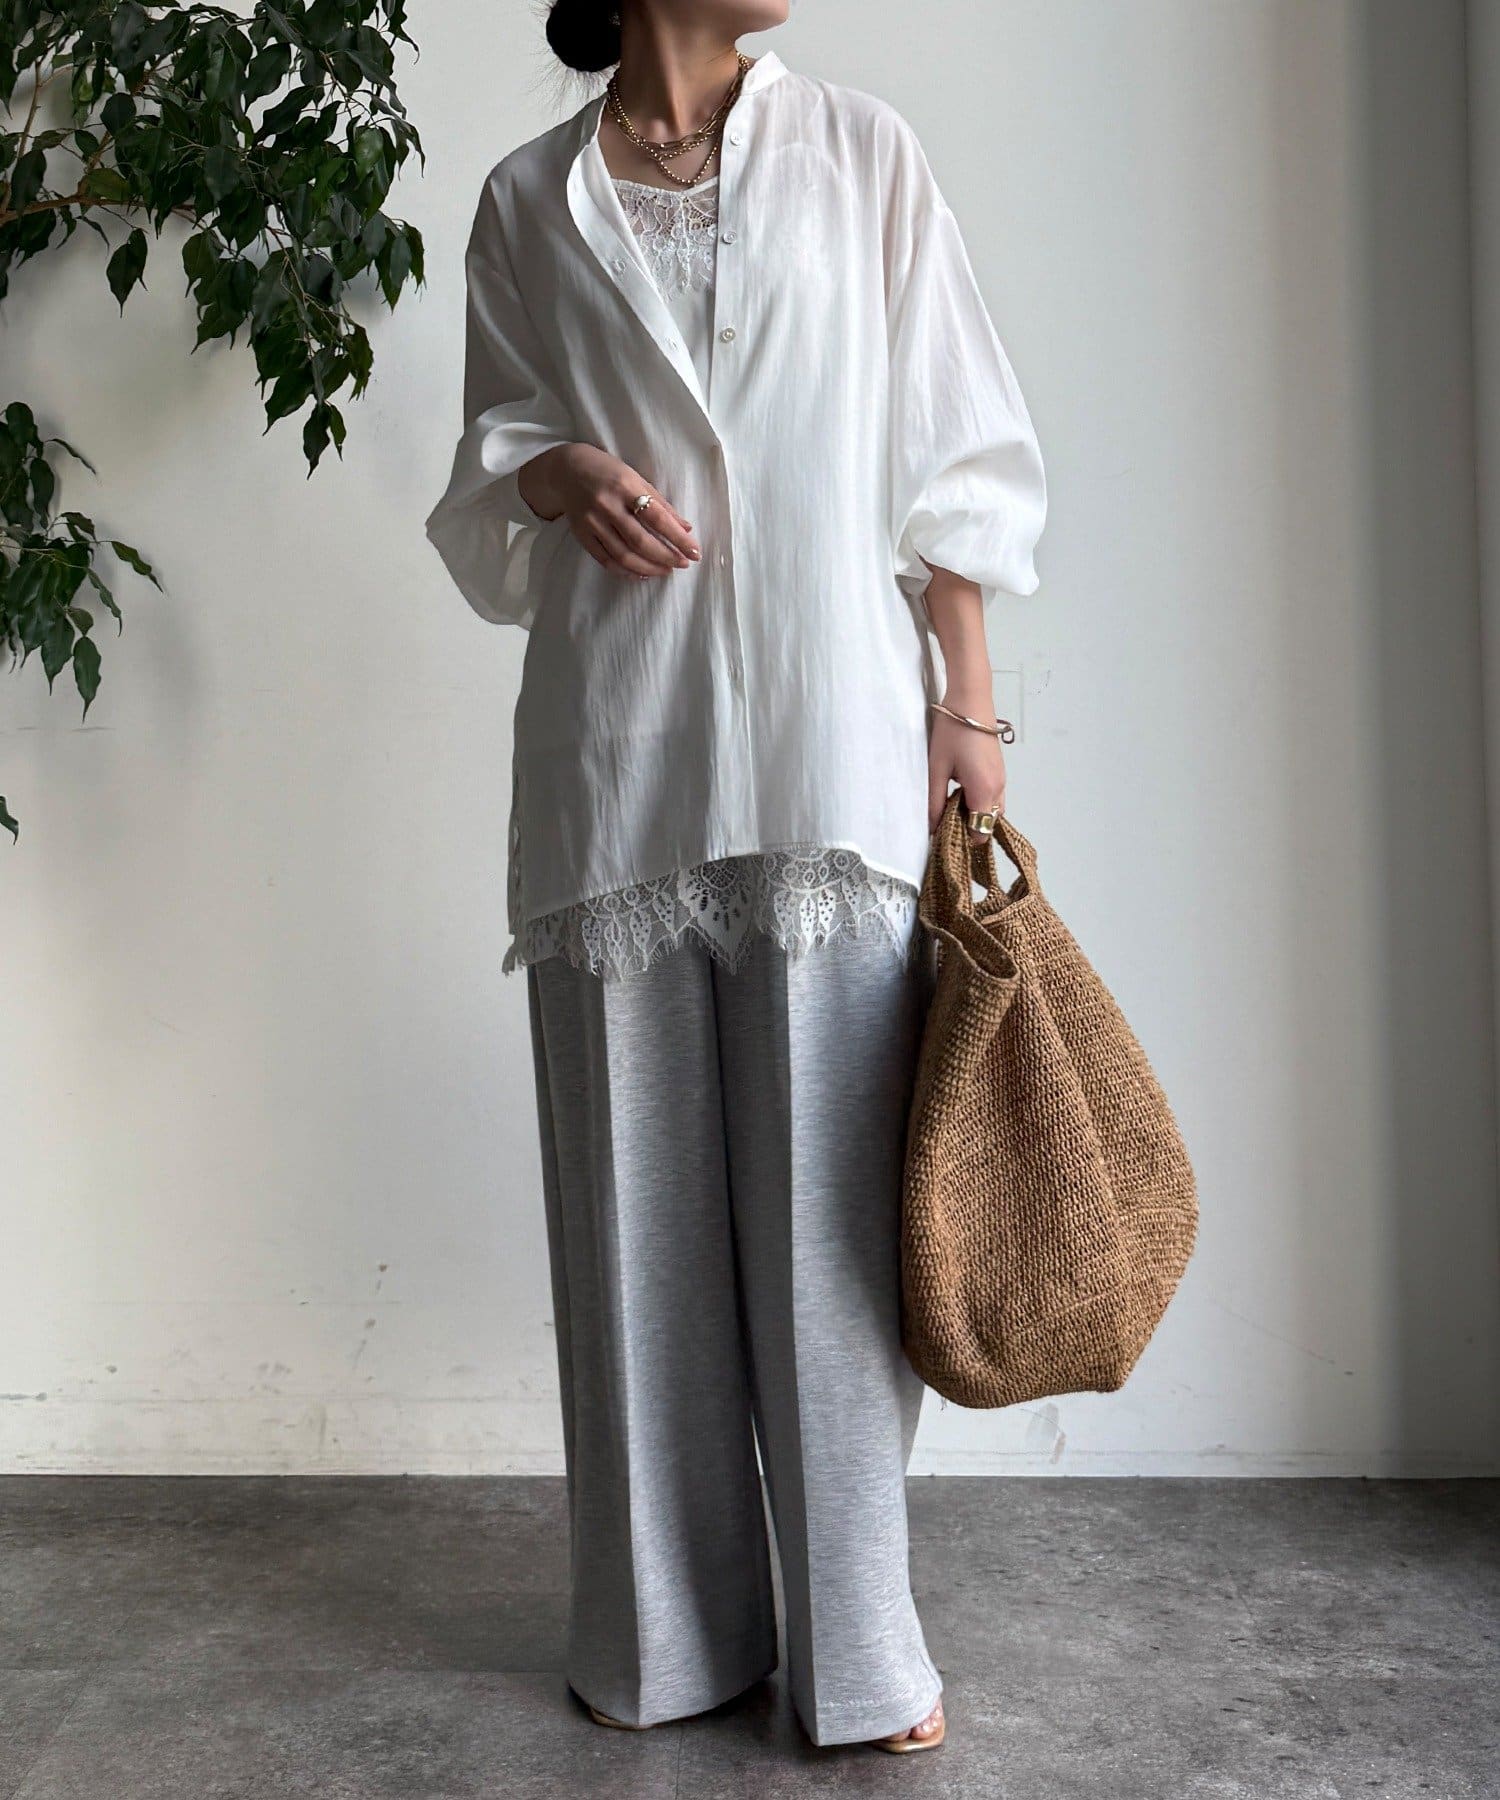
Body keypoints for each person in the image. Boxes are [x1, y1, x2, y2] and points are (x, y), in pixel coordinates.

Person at [424, 0, 1046, 1756]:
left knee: (835, 1242)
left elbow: (950, 438)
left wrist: (967, 705)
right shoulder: (527, 198)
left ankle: (863, 1653)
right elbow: (491, 463)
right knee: (634, 1245)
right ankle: (662, 1641)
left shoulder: (862, 154)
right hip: (618, 754)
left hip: (828, 749)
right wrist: (556, 469)